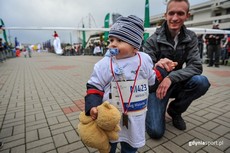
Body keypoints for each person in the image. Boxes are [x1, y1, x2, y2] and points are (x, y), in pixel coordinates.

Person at [84, 15, 175, 153]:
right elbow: (94, 86)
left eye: (120, 40)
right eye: (111, 39)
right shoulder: (103, 65)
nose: (113, 44)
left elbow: (152, 79)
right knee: (108, 146)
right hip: (111, 117)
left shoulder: (144, 60)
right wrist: (92, 106)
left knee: (131, 147)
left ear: (135, 47)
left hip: (135, 116)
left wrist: (162, 70)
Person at [143, 0, 211, 139]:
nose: (175, 18)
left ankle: (174, 111)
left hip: (176, 82)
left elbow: (196, 66)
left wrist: (171, 77)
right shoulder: (152, 40)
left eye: (180, 13)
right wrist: (156, 65)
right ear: (165, 15)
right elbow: (144, 69)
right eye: (171, 13)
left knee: (201, 81)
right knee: (155, 132)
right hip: (157, 87)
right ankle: (150, 109)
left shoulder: (191, 37)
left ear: (187, 15)